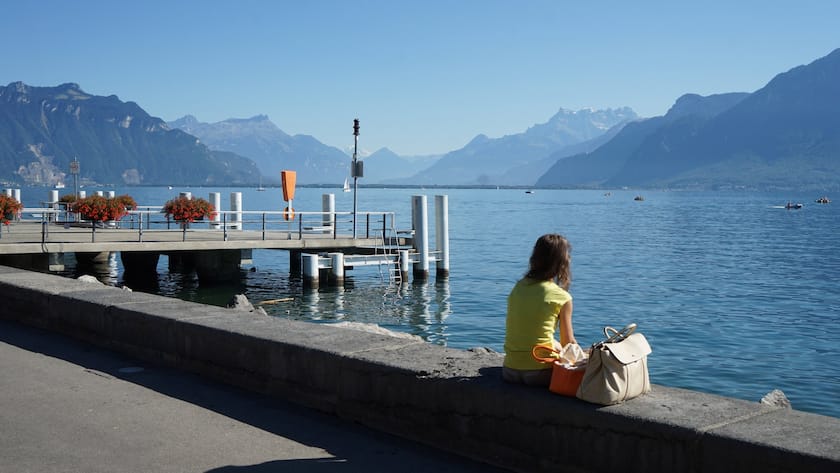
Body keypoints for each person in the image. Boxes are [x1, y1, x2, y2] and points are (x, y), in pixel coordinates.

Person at [503, 233, 577, 386]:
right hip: (540, 373)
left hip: (510, 370)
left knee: (553, 343)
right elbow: (568, 344)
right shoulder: (562, 297)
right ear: (562, 262)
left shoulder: (518, 287)